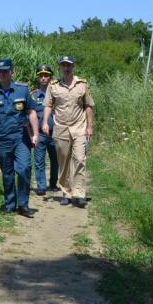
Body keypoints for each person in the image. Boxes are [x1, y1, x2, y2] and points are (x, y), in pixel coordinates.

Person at [0, 58, 39, 218]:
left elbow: (31, 112)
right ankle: (10, 204)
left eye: (6, 71)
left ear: (12, 71)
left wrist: (36, 134)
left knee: (24, 169)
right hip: (1, 139)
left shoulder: (23, 90)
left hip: (20, 138)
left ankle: (23, 205)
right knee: (7, 173)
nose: (2, 74)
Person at [41, 56, 95, 209]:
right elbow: (47, 105)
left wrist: (89, 127)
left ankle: (79, 194)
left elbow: (89, 106)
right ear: (60, 68)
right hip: (61, 128)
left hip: (79, 127)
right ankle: (66, 192)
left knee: (79, 159)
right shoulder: (54, 86)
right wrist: (45, 122)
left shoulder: (82, 85)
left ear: (73, 67)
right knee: (63, 162)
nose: (66, 68)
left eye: (69, 65)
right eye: (63, 65)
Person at [31, 64, 59, 196]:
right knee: (39, 161)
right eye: (41, 76)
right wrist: (32, 134)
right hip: (40, 134)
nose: (43, 78)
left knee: (56, 160)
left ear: (50, 77)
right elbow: (29, 115)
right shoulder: (33, 95)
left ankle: (53, 184)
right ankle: (41, 186)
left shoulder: (57, 94)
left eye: (46, 75)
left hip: (56, 133)